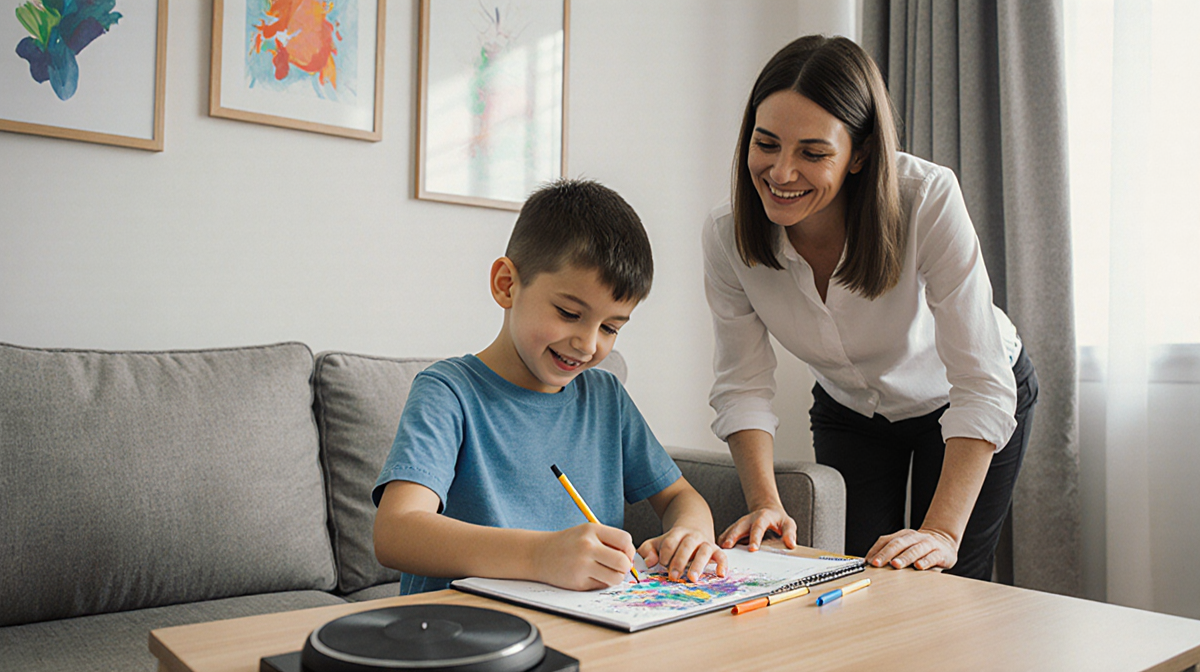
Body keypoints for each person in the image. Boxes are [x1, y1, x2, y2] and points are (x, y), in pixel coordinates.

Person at [704, 35, 1038, 580]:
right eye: (766, 144)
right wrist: (765, 502)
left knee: (942, 581)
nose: (781, 173)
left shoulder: (925, 199)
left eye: (813, 153)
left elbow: (981, 382)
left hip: (967, 396)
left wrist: (941, 534)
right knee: (852, 578)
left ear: (859, 153)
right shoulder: (727, 234)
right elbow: (741, 384)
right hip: (852, 408)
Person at [373, 179, 727, 594]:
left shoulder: (606, 399)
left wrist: (691, 532)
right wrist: (539, 556)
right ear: (507, 285)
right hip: (464, 636)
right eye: (569, 312)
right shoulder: (448, 393)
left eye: (611, 327)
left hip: (582, 631)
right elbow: (396, 533)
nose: (589, 344)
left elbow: (681, 497)